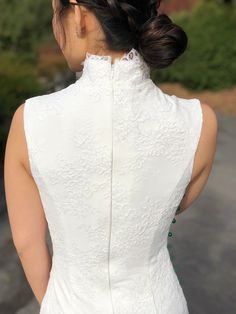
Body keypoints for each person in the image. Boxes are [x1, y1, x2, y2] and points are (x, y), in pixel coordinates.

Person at [4, 0, 218, 313]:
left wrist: (56, 303)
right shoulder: (201, 121)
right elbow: (173, 208)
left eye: (55, 12)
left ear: (78, 16)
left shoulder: (29, 120)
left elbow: (27, 243)